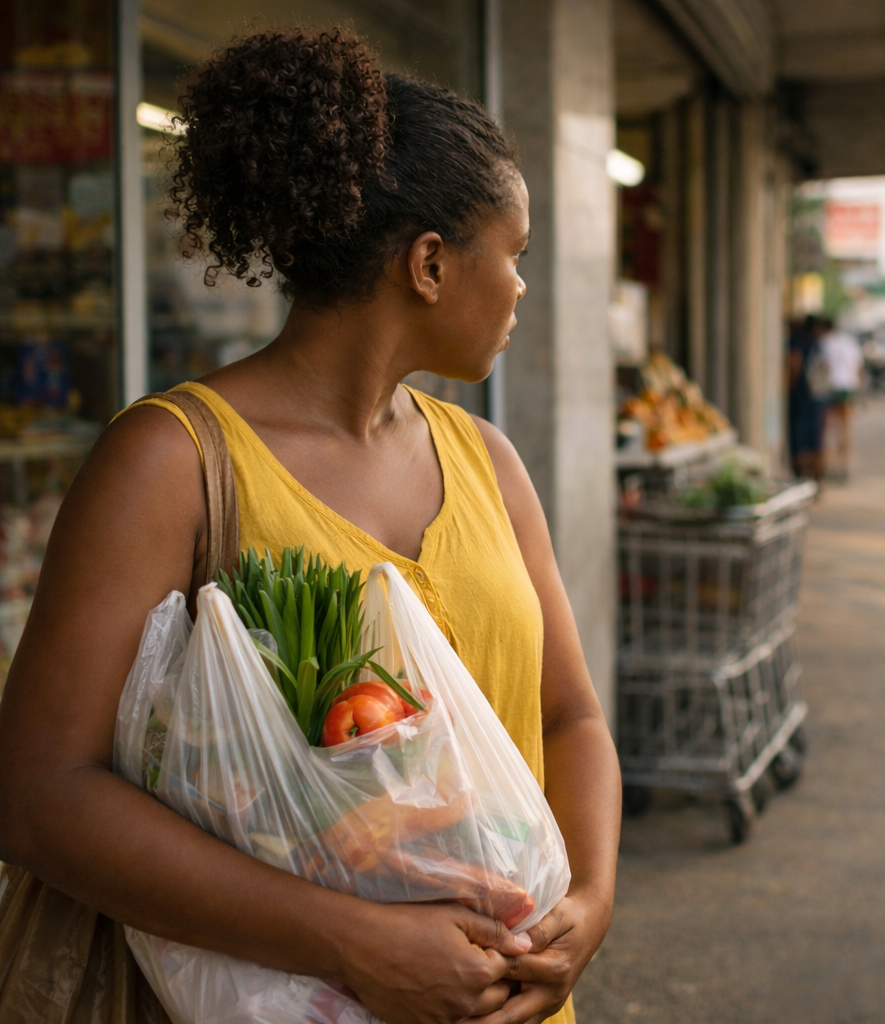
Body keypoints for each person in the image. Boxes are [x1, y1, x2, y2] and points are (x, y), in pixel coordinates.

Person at [0, 30, 619, 1024]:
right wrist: (357, 942)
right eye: (516, 256)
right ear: (429, 265)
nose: (521, 290)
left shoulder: (488, 464)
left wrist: (587, 901)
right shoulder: (173, 463)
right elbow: (39, 794)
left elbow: (570, 717)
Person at [786, 316, 831, 481]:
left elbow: (794, 365)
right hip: (818, 397)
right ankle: (817, 479)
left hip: (801, 399)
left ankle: (802, 478)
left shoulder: (796, 343)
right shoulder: (817, 344)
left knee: (799, 441)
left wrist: (786, 389)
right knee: (816, 440)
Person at [819, 323, 863, 482]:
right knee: (846, 429)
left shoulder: (826, 342)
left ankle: (830, 465)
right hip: (848, 388)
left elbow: (823, 366)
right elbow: (858, 369)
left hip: (832, 388)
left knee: (830, 427)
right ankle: (844, 466)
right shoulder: (852, 344)